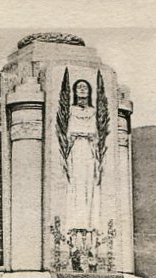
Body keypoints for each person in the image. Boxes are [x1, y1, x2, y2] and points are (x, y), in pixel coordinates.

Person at [65, 79, 101, 232]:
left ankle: (88, 221)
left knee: (88, 182)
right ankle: (76, 220)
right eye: (79, 87)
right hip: (76, 148)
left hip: (88, 150)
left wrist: (85, 134)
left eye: (85, 87)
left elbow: (94, 134)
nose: (82, 90)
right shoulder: (71, 110)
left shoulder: (92, 112)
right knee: (76, 181)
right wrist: (80, 133)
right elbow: (70, 133)